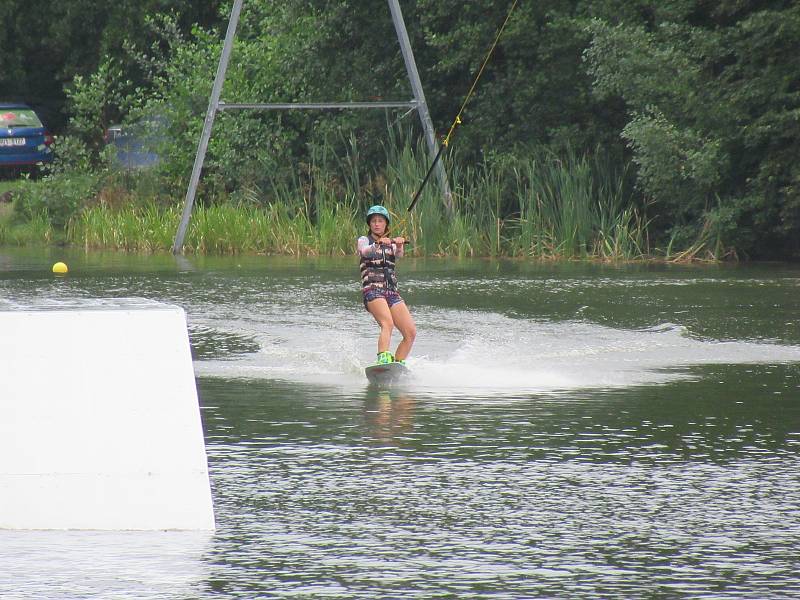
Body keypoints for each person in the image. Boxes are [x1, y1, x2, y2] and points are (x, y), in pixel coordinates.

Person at [357, 205, 416, 365]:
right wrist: (378, 244)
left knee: (410, 332)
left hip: (391, 292)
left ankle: (398, 363)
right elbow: (364, 252)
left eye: (380, 221)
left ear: (386, 224)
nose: (377, 224)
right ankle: (383, 356)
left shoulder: (391, 243)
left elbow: (399, 254)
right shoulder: (364, 241)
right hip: (373, 291)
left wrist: (400, 243)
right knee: (387, 323)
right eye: (374, 221)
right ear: (370, 224)